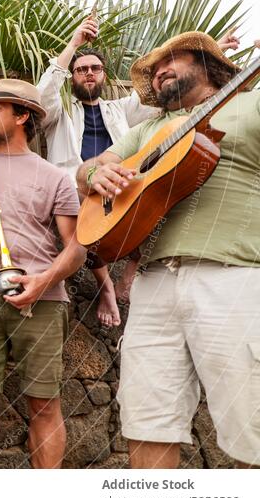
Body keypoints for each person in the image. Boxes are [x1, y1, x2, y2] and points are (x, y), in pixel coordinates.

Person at [76, 32, 260, 469]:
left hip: (231, 275)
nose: (159, 71)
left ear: (208, 64)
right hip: (152, 284)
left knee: (251, 420)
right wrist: (92, 178)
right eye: (153, 69)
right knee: (146, 420)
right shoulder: (146, 129)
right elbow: (89, 166)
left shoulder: (250, 106)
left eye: (171, 60)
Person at [0, 79, 87, 469]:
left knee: (45, 404)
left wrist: (42, 281)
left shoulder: (56, 176)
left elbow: (77, 247)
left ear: (22, 115)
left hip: (42, 300)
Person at [37, 17, 159, 324]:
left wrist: (202, 58)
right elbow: (41, 96)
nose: (88, 74)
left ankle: (129, 272)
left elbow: (157, 100)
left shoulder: (119, 109)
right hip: (73, 187)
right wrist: (75, 43)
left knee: (159, 196)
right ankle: (106, 287)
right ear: (72, 77)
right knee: (84, 222)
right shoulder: (60, 113)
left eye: (95, 69)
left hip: (118, 183)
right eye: (81, 69)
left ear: (104, 75)